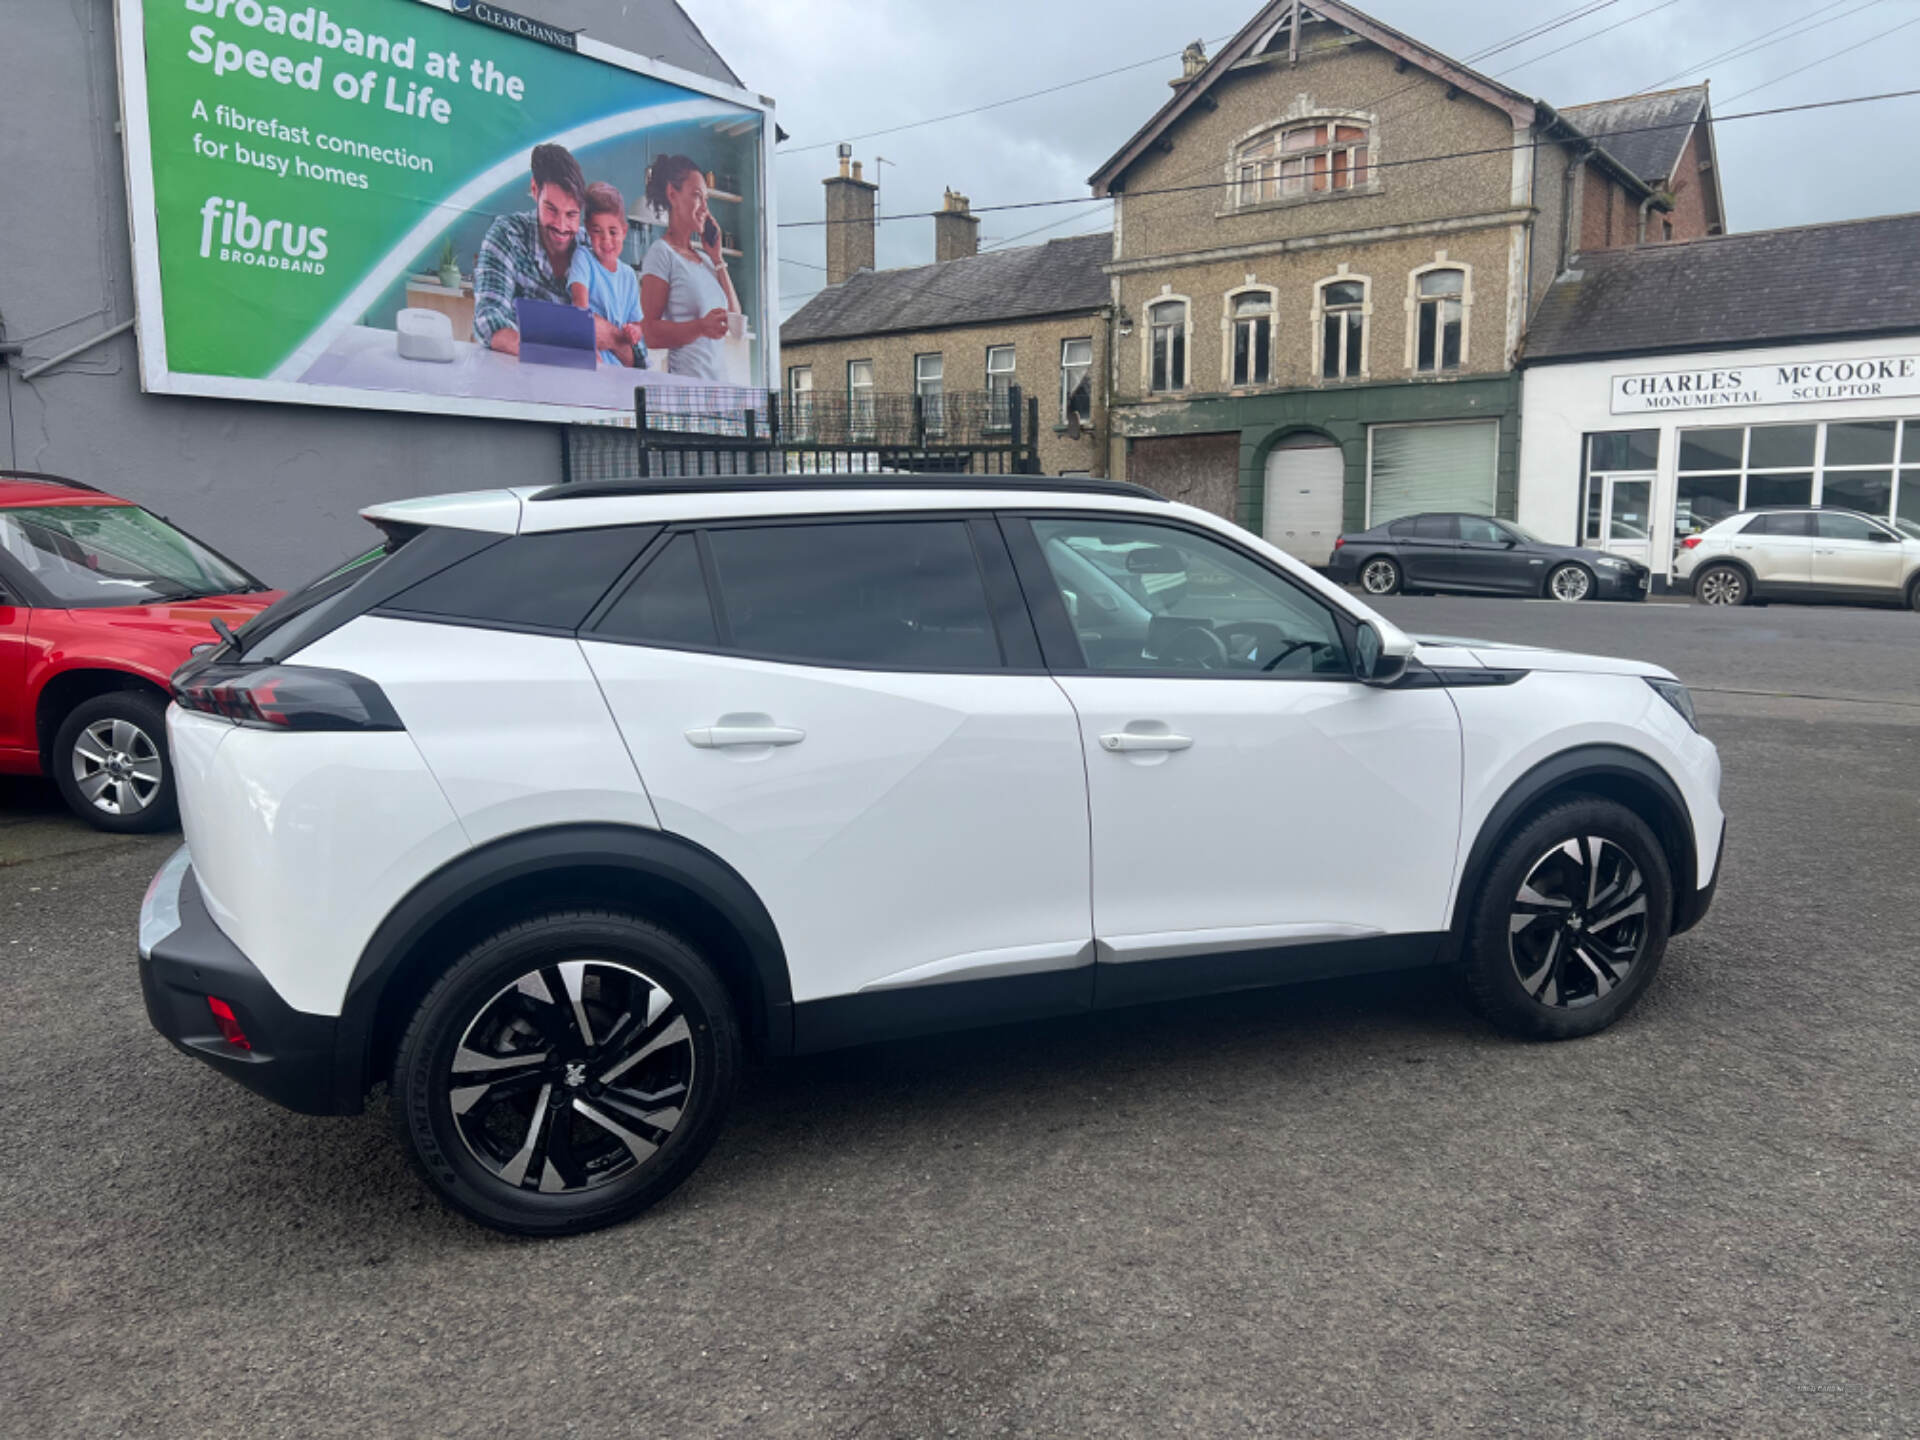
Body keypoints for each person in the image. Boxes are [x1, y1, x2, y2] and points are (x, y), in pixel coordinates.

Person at [471, 143, 627, 359]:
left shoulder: (590, 248)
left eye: (572, 215)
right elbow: (488, 318)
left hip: (584, 381)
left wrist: (611, 335)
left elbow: (627, 342)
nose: (562, 226)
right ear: (535, 190)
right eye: (551, 210)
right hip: (518, 377)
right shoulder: (507, 235)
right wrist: (553, 349)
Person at [639, 155, 741, 382]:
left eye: (706, 199)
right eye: (697, 196)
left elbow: (736, 326)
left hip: (719, 390)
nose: (705, 207)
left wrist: (718, 258)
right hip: (687, 391)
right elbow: (650, 332)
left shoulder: (706, 260)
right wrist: (701, 328)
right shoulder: (661, 253)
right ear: (672, 194)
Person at [567, 183, 645, 368]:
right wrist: (588, 346)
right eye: (597, 231)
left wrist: (634, 332)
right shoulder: (583, 257)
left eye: (613, 231)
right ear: (586, 229)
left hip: (618, 369)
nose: (606, 240)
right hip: (589, 362)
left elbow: (637, 324)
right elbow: (579, 304)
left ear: (624, 232)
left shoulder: (628, 276)